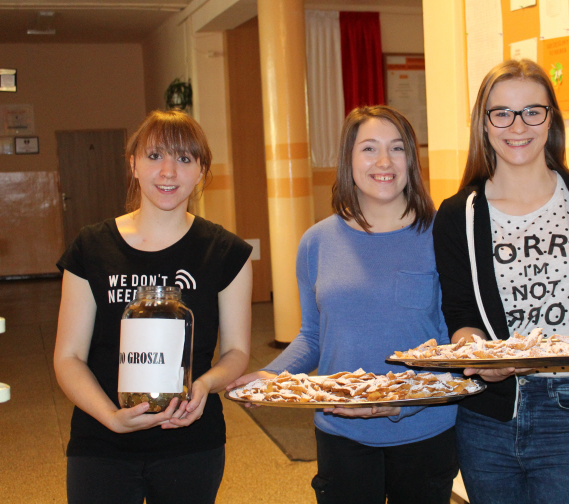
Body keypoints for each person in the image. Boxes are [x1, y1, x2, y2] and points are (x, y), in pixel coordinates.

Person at [432, 59, 569, 504]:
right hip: (487, 414)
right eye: (502, 113)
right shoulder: (458, 215)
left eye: (532, 111)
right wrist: (482, 356)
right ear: (483, 123)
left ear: (551, 119)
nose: (517, 126)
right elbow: (460, 315)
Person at [230, 105, 458, 504]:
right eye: (369, 148)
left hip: (423, 429)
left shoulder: (442, 235)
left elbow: (456, 348)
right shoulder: (317, 242)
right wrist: (273, 375)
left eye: (397, 148)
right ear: (348, 160)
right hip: (342, 430)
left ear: (411, 160)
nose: (384, 162)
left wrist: (396, 405)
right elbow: (313, 336)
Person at [53, 110, 253, 504]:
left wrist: (204, 385)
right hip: (100, 440)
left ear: (201, 170)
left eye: (184, 158)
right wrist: (110, 417)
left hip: (190, 441)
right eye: (155, 155)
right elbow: (68, 357)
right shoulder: (92, 247)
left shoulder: (225, 252)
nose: (168, 172)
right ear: (133, 164)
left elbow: (236, 351)